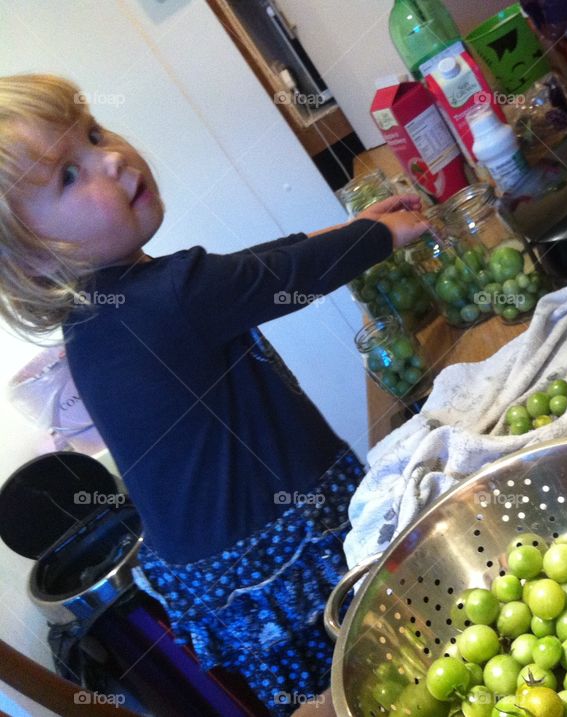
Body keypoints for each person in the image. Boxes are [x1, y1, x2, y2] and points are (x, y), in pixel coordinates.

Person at [0, 74, 428, 715]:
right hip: (286, 556)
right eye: (68, 174)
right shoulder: (168, 294)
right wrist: (380, 236)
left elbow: (249, 269)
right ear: (38, 259)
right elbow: (275, 277)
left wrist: (349, 228)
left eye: (93, 133)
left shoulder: (96, 315)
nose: (109, 158)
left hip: (226, 584)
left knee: (343, 695)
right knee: (392, 671)